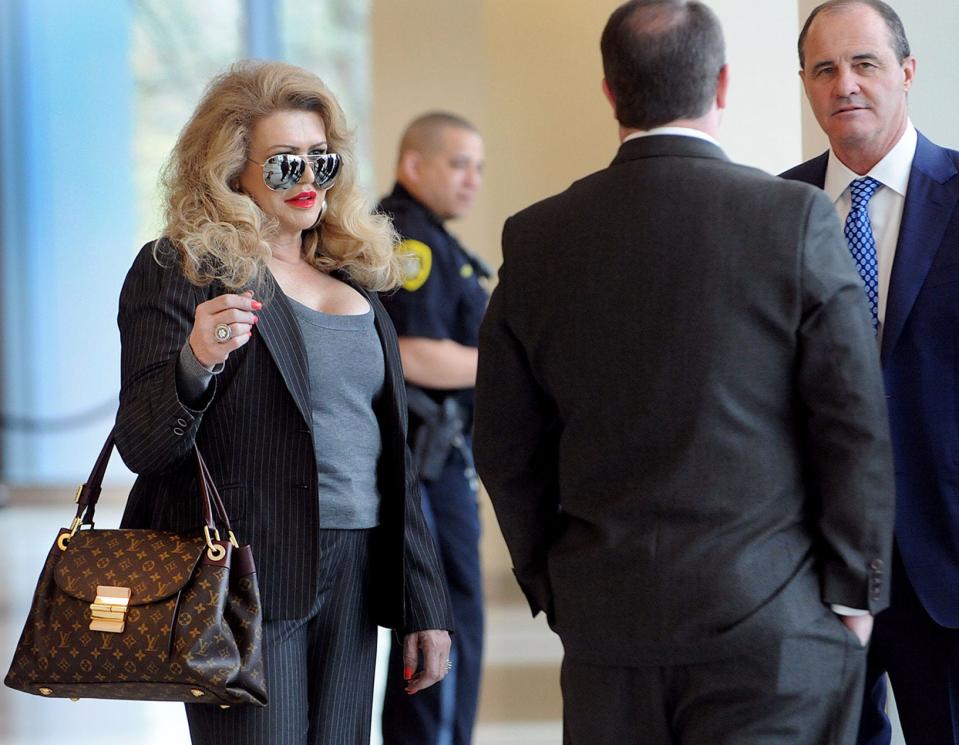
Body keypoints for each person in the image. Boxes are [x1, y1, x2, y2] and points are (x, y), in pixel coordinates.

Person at [472, 1, 896, 743]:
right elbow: (852, 423)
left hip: (607, 632)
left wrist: (556, 584)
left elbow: (505, 444)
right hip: (774, 630)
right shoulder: (792, 220)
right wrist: (854, 600)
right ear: (722, 83)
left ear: (609, 91)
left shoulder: (537, 238)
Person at [113, 61, 453, 745]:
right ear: (231, 169)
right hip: (240, 571)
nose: (306, 182)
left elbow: (388, 455)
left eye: (319, 162)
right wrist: (197, 359)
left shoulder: (351, 273)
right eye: (281, 165)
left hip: (356, 566)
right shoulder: (179, 268)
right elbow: (145, 442)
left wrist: (424, 601)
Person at [782, 2, 959, 743]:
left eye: (864, 63)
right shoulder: (773, 211)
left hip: (944, 568)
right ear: (804, 84)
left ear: (906, 73)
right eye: (824, 69)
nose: (844, 85)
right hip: (812, 570)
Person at [378, 112, 488, 745]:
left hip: (439, 459)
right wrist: (507, 365)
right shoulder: (411, 244)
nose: (471, 179)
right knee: (443, 621)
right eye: (458, 163)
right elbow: (413, 352)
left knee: (448, 619)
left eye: (479, 167)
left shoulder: (434, 240)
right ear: (413, 166)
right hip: (426, 461)